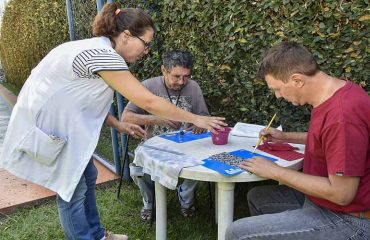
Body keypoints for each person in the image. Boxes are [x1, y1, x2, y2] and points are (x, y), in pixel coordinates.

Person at [0, 3, 226, 240]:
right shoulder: (102, 55)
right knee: (71, 192)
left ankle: (97, 235)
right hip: (52, 130)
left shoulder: (95, 50)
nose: (146, 51)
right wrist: (197, 118)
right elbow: (147, 100)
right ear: (127, 36)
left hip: (60, 129)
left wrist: (117, 124)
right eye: (146, 43)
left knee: (86, 177)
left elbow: (80, 100)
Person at [225, 41, 370, 240]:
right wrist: (285, 137)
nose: (278, 96)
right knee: (259, 198)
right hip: (326, 205)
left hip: (353, 221)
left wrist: (274, 171)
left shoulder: (343, 117)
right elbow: (329, 139)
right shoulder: (335, 92)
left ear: (297, 80)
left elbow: (342, 194)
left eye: (277, 89)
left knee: (237, 233)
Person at [121, 50, 209, 220]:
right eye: (176, 76)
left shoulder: (193, 87)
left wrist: (200, 124)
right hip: (154, 145)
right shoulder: (148, 86)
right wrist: (158, 119)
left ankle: (185, 198)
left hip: (187, 146)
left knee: (202, 163)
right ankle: (149, 201)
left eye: (186, 76)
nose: (182, 82)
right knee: (137, 169)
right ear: (164, 70)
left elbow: (203, 116)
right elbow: (126, 117)